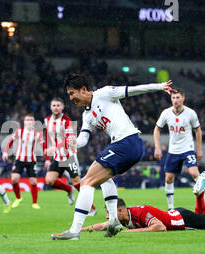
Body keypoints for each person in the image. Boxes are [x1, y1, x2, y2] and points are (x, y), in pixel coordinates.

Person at [51, 73, 176, 240]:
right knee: (104, 179)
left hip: (127, 142)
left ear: (83, 89)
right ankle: (114, 221)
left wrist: (159, 86)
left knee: (87, 182)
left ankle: (75, 231)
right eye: (69, 95)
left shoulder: (104, 93)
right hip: (128, 147)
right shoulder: (86, 116)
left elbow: (132, 90)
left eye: (72, 93)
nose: (71, 98)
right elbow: (83, 140)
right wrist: (73, 142)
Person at [81, 169, 205, 233]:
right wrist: (81, 229)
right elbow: (103, 226)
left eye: (110, 213)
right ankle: (199, 195)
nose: (108, 217)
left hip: (182, 220)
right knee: (203, 216)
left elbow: (160, 227)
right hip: (178, 214)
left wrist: (127, 232)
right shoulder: (123, 216)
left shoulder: (140, 212)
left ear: (121, 210)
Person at [153, 88, 205, 210]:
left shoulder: (190, 113)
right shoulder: (166, 113)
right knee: (168, 178)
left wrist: (199, 149)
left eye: (178, 97)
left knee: (194, 173)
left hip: (187, 148)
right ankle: (170, 208)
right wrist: (157, 147)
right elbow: (157, 129)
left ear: (183, 98)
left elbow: (198, 130)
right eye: (173, 98)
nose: (175, 100)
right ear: (171, 99)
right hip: (173, 150)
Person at [43, 97, 96, 215]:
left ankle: (91, 208)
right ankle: (68, 189)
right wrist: (47, 159)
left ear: (62, 107)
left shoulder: (67, 121)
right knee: (49, 180)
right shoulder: (47, 121)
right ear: (51, 107)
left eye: (58, 105)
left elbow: (69, 139)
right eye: (54, 105)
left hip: (69, 156)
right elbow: (46, 140)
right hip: (57, 157)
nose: (56, 108)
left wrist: (55, 148)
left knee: (77, 182)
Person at [2, 114, 43, 209]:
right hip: (19, 159)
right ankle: (18, 198)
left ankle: (34, 203)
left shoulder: (37, 134)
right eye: (27, 120)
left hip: (31, 161)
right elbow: (10, 141)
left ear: (34, 122)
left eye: (31, 120)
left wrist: (48, 157)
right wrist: (5, 152)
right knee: (14, 179)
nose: (29, 121)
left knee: (33, 181)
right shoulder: (19, 132)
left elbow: (43, 145)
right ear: (24, 122)